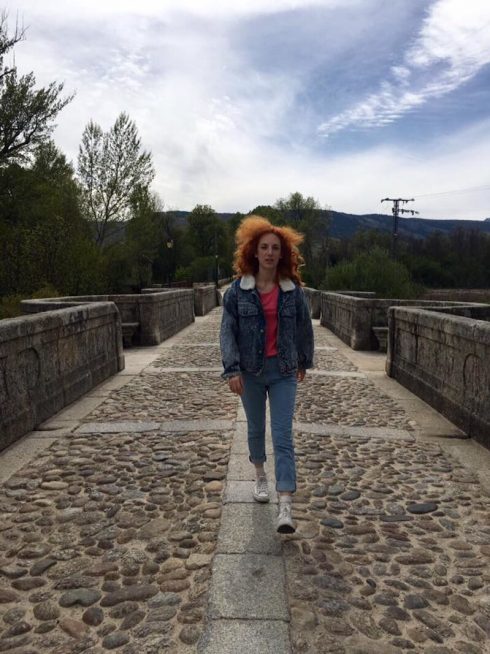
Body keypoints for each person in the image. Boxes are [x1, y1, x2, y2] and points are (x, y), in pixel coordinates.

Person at [220, 215, 314, 533]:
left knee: (283, 435)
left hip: (283, 369)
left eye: (275, 247)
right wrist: (232, 369)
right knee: (256, 428)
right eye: (264, 247)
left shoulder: (292, 291)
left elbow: (304, 327)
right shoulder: (238, 292)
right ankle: (260, 475)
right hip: (251, 371)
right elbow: (227, 331)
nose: (270, 253)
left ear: (283, 253)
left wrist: (303, 361)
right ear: (254, 251)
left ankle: (285, 503)